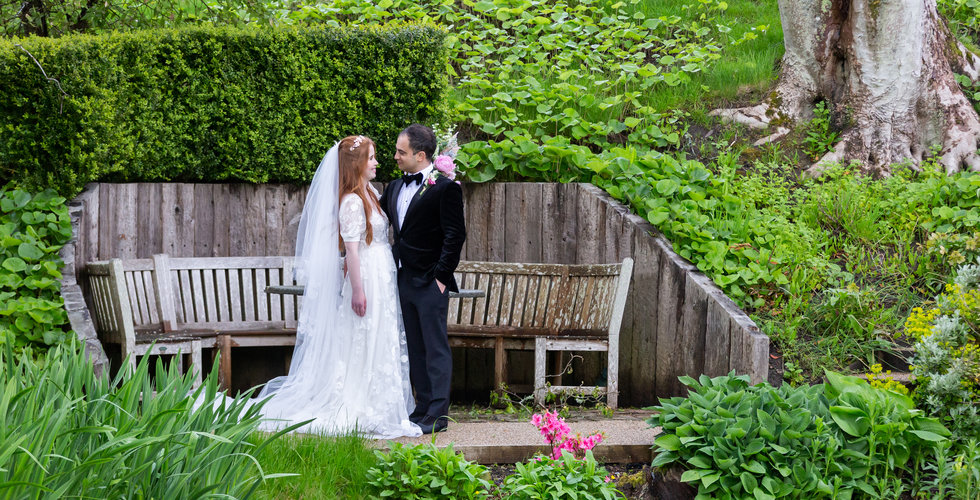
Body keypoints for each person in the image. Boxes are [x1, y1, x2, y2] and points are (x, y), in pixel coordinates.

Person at [254, 135, 421, 439]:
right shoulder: (352, 202)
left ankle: (379, 404)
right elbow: (352, 251)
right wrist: (357, 291)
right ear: (357, 163)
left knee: (380, 336)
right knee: (363, 336)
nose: (377, 163)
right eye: (371, 158)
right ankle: (360, 405)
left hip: (382, 275)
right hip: (367, 275)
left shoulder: (370, 192)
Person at [380, 124, 466, 434]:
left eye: (401, 152)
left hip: (431, 281)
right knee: (414, 347)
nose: (395, 157)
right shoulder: (393, 187)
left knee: (434, 347)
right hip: (403, 280)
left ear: (420, 155)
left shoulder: (445, 188)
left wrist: (441, 277)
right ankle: (421, 407)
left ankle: (438, 413)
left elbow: (455, 236)